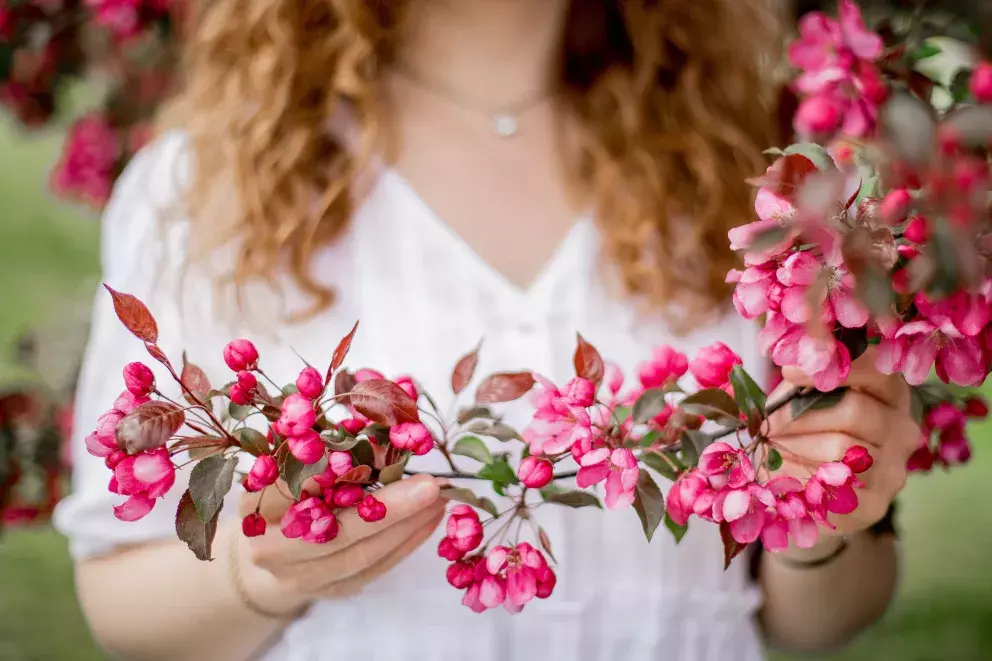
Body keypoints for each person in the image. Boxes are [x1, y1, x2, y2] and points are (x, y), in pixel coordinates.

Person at [54, 1, 919, 660]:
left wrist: (830, 523)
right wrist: (256, 574)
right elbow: (120, 598)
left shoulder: (760, 177)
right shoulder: (206, 188)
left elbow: (827, 613)